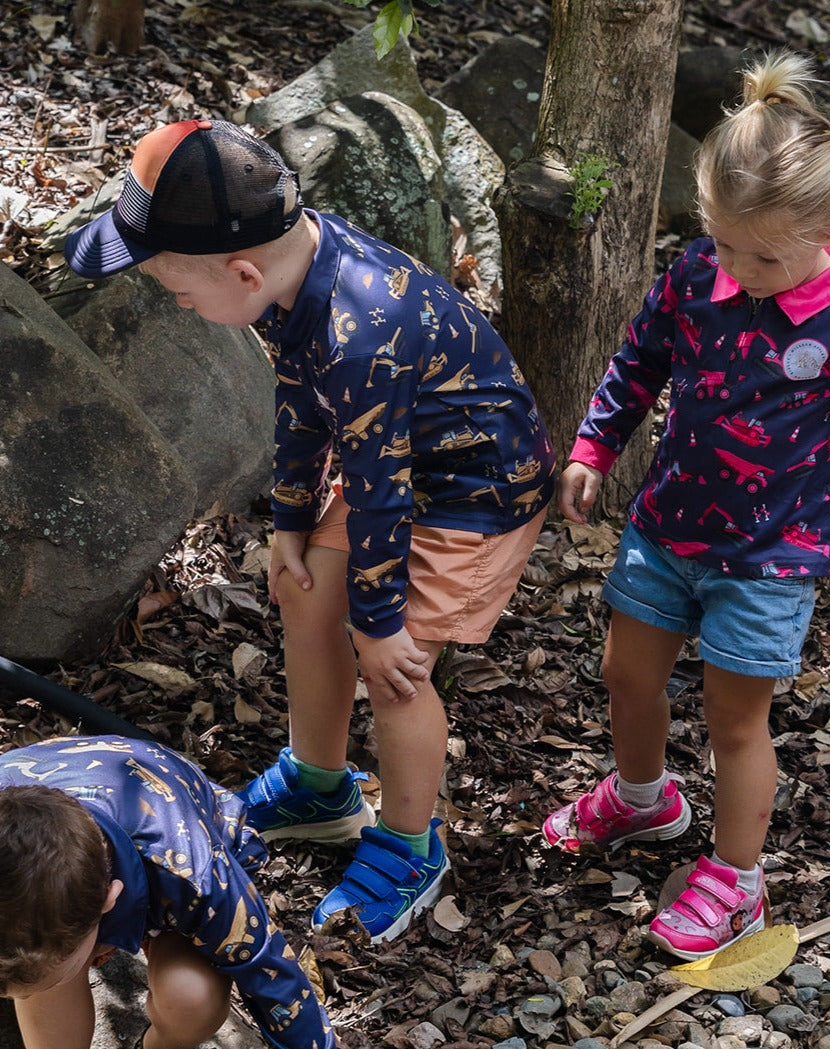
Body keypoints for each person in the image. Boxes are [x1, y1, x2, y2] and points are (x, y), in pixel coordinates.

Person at [64, 120, 556, 945]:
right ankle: (319, 785)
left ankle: (408, 844)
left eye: (177, 292)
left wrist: (383, 618)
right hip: (399, 470)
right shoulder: (295, 272)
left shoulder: (359, 329)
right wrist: (292, 518)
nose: (175, 303)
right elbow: (301, 398)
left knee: (394, 667)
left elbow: (379, 496)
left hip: (476, 488)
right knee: (303, 591)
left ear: (243, 271)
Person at [542, 52, 830, 961]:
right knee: (626, 674)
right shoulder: (693, 278)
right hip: (665, 526)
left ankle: (736, 879)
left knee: (735, 719)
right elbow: (636, 362)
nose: (737, 267)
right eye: (722, 241)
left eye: (761, 254)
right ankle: (643, 800)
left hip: (769, 556)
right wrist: (593, 448)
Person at [0, 734, 335, 1049]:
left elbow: (274, 978)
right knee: (41, 970)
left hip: (174, 838)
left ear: (109, 901)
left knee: (192, 998)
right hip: (62, 810)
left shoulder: (196, 876)